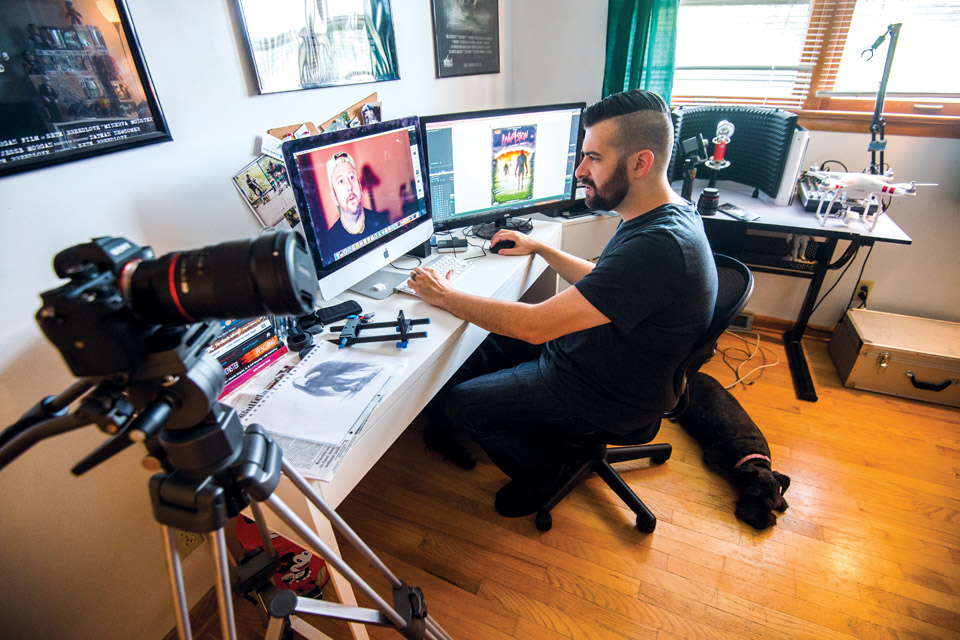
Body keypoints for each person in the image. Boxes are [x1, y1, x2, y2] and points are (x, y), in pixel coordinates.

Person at [404, 90, 719, 518]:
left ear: (640, 163)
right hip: (613, 361)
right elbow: (605, 285)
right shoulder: (667, 213)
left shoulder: (658, 246)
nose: (580, 170)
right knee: (487, 347)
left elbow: (535, 326)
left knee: (463, 404)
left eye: (594, 158)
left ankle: (545, 471)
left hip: (607, 392)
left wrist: (445, 296)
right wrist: (540, 247)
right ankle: (538, 431)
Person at [320, 151, 389, 252]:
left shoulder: (381, 221)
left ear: (360, 187)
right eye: (341, 181)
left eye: (351, 177)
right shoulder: (329, 243)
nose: (349, 186)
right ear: (334, 197)